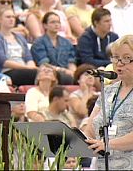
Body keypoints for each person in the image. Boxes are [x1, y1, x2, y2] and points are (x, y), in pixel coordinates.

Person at [85, 35, 133, 169]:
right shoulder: (107, 91)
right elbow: (90, 128)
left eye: (126, 58)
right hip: (102, 165)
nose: (119, 63)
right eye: (116, 57)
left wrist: (108, 144)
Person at [0, 7, 38, 86]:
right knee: (37, 74)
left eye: (13, 17)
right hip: (8, 71)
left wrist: (31, 66)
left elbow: (28, 57)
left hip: (25, 69)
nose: (11, 19)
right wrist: (27, 68)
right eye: (8, 17)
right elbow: (3, 61)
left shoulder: (20, 37)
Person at [31, 11, 76, 85]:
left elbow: (71, 62)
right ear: (45, 25)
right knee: (64, 77)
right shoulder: (39, 42)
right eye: (52, 22)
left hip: (66, 72)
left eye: (58, 22)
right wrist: (62, 70)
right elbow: (44, 63)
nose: (56, 24)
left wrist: (74, 72)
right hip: (48, 72)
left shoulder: (66, 42)